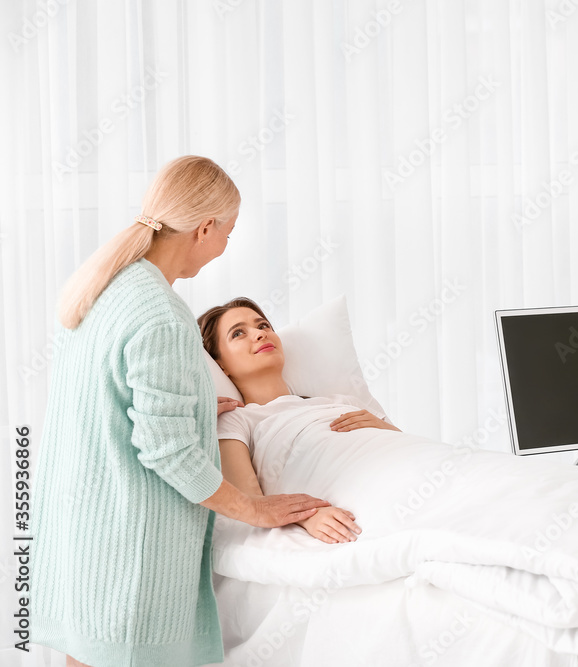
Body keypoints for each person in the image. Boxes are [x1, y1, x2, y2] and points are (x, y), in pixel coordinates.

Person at [33, 156, 331, 667]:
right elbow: (167, 453)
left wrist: (190, 407)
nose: (226, 245)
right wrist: (255, 509)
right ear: (206, 227)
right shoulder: (161, 315)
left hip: (82, 534)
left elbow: (107, 398)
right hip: (130, 546)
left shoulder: (103, 288)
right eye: (229, 231)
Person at [198, 297, 400, 544]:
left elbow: (407, 443)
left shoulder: (343, 401)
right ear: (220, 365)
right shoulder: (237, 420)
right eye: (238, 333)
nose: (260, 334)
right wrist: (305, 515)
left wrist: (383, 427)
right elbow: (249, 504)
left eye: (263, 326)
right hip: (366, 494)